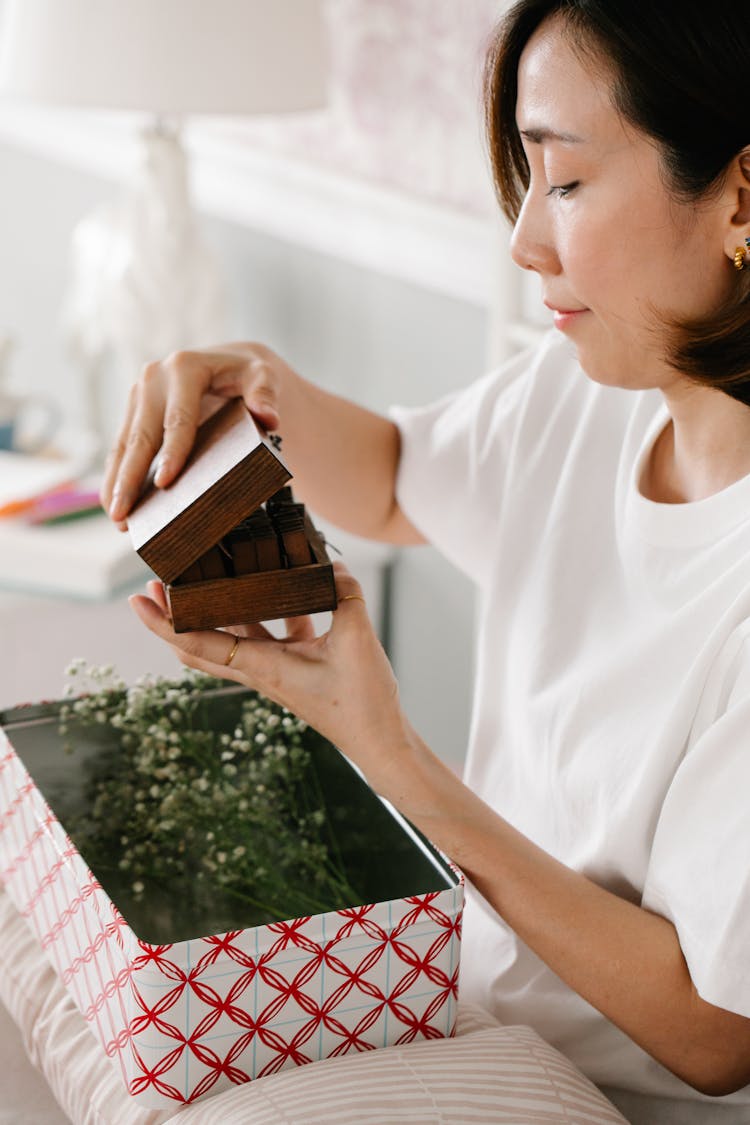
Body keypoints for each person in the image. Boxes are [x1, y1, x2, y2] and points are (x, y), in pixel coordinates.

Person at [103, 1, 750, 1118]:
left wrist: (389, 756)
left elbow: (713, 1031)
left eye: (567, 181)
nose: (523, 244)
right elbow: (402, 477)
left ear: (740, 198)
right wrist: (260, 385)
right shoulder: (588, 390)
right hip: (446, 1007)